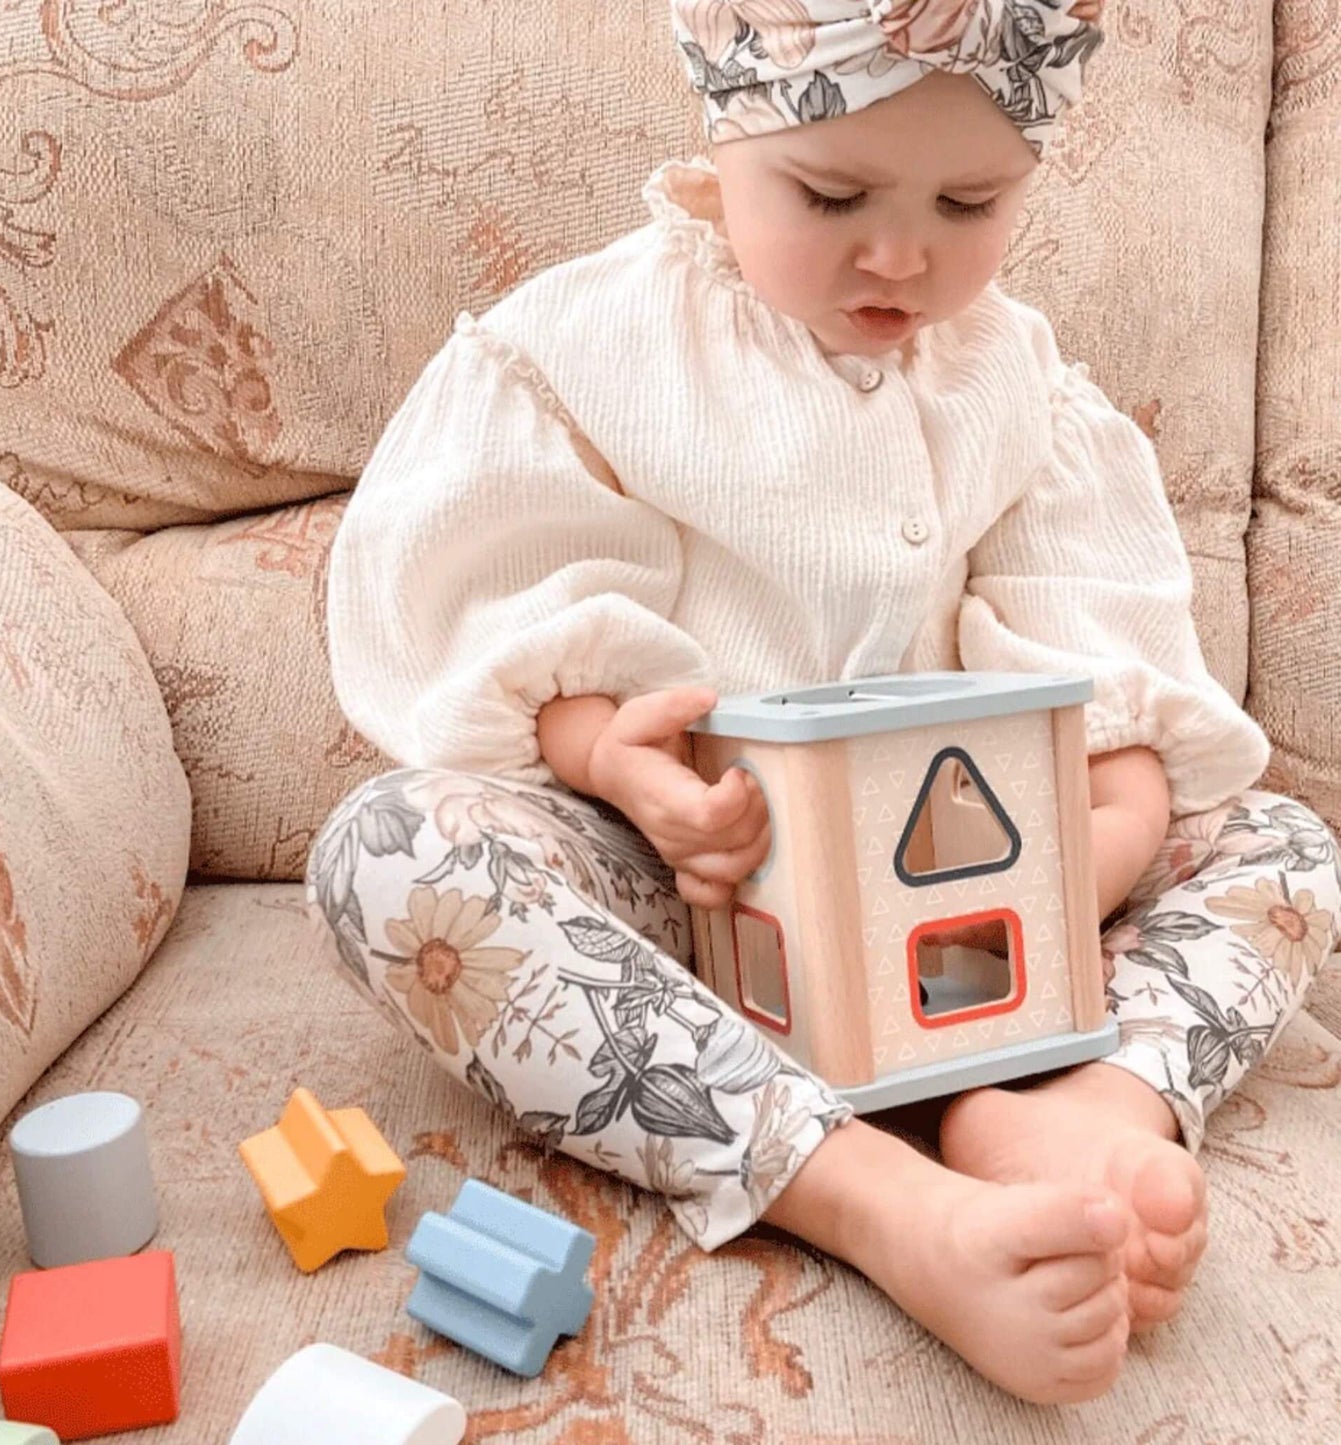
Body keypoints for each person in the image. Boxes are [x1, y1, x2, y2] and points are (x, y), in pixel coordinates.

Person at [307, 0, 1341, 1404]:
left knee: (1278, 843)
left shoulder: (1017, 380)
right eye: (830, 194)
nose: (901, 254)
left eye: (968, 201)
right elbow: (515, 612)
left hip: (987, 912)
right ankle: (869, 1196)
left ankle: (1068, 1109)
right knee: (390, 847)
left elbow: (1109, 674)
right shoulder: (595, 344)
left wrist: (1069, 878)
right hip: (690, 897)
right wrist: (617, 755)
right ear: (726, 135)